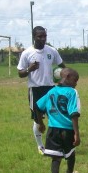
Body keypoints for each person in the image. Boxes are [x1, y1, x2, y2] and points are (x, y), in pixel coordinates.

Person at [17, 26, 65, 154]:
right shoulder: (27, 53)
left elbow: (62, 66)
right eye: (40, 36)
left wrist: (64, 77)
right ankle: (40, 146)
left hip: (50, 88)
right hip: (35, 89)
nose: (43, 39)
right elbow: (20, 73)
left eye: (44, 36)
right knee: (38, 119)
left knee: (54, 116)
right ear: (34, 37)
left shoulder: (52, 51)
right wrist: (29, 69)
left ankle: (56, 143)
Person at [36, 68, 81, 173]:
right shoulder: (72, 92)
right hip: (67, 129)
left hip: (52, 130)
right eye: (75, 80)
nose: (76, 83)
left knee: (56, 158)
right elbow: (74, 114)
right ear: (66, 76)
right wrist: (77, 134)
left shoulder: (52, 91)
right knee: (71, 153)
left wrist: (41, 124)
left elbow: (38, 107)